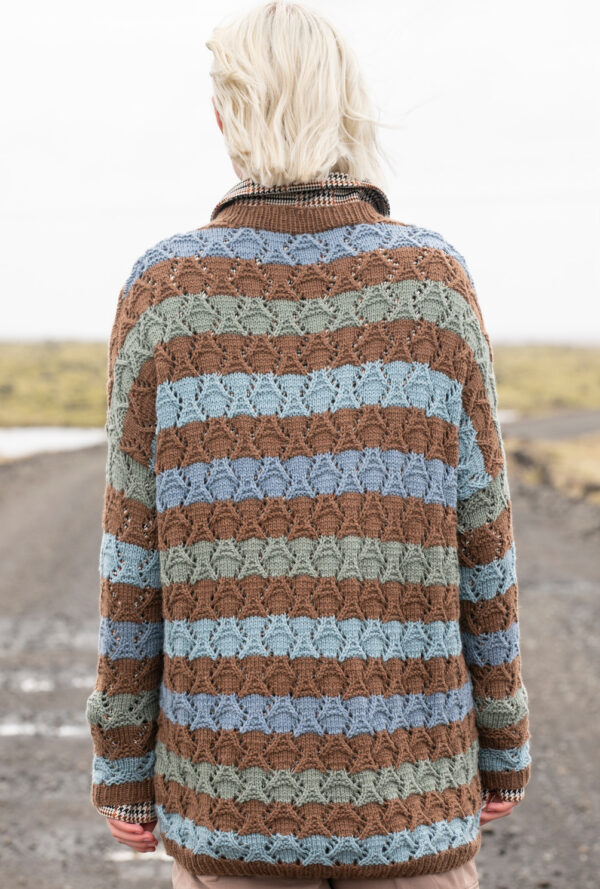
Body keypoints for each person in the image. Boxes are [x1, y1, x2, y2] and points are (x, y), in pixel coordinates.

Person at [85, 2, 532, 888]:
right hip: (409, 802)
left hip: (226, 807)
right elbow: (483, 538)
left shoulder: (163, 291)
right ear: (344, 108)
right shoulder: (434, 283)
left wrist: (124, 765)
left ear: (225, 117)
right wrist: (503, 744)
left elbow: (133, 556)